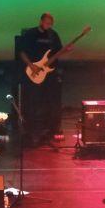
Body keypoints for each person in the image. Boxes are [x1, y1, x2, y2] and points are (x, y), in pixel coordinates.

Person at [18, 13, 63, 146]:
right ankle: (32, 132)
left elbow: (58, 51)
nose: (49, 25)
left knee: (49, 103)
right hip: (33, 72)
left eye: (51, 23)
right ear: (41, 21)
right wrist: (31, 66)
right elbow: (21, 52)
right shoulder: (31, 34)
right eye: (47, 23)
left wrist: (66, 50)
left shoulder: (53, 35)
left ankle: (48, 132)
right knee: (33, 103)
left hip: (49, 75)